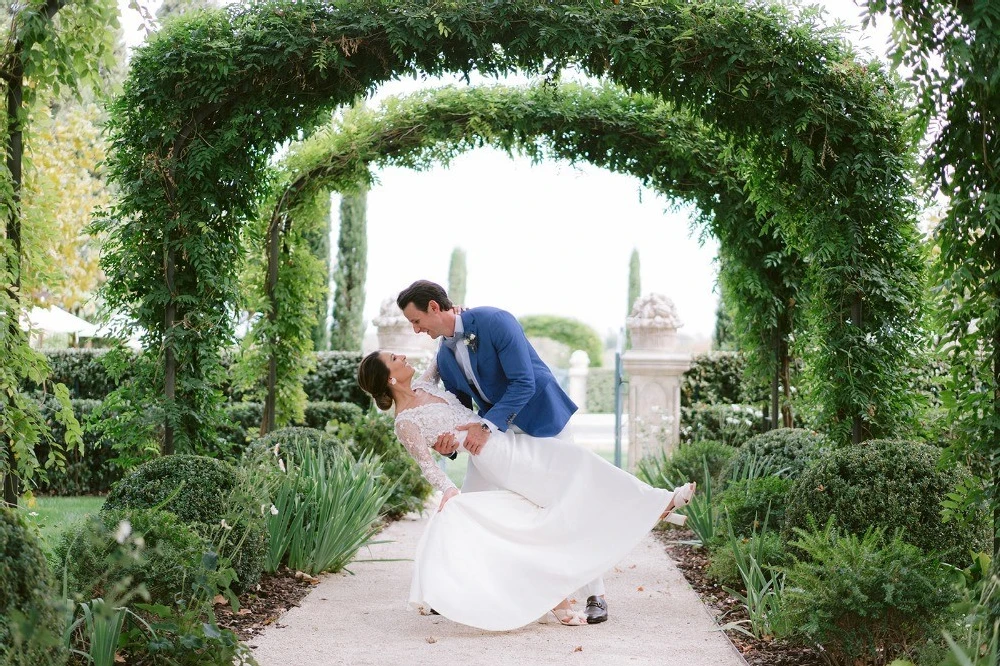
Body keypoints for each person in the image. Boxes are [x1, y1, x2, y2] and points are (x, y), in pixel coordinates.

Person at [357, 350, 695, 631]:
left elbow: (442, 348)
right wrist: (448, 490)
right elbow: (426, 464)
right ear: (389, 377)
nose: (402, 355)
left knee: (565, 488)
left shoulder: (425, 384)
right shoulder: (405, 422)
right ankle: (658, 503)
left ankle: (653, 506)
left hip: (506, 441)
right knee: (573, 474)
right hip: (495, 456)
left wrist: (454, 317)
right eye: (394, 358)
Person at [395, 279, 618, 622]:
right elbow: (460, 409)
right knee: (466, 504)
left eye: (416, 320)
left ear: (435, 308)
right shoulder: (444, 353)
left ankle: (595, 593)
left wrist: (486, 427)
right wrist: (449, 447)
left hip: (543, 419)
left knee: (561, 502)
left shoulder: (495, 321)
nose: (416, 329)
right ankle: (451, 590)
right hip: (495, 433)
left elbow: (524, 381)